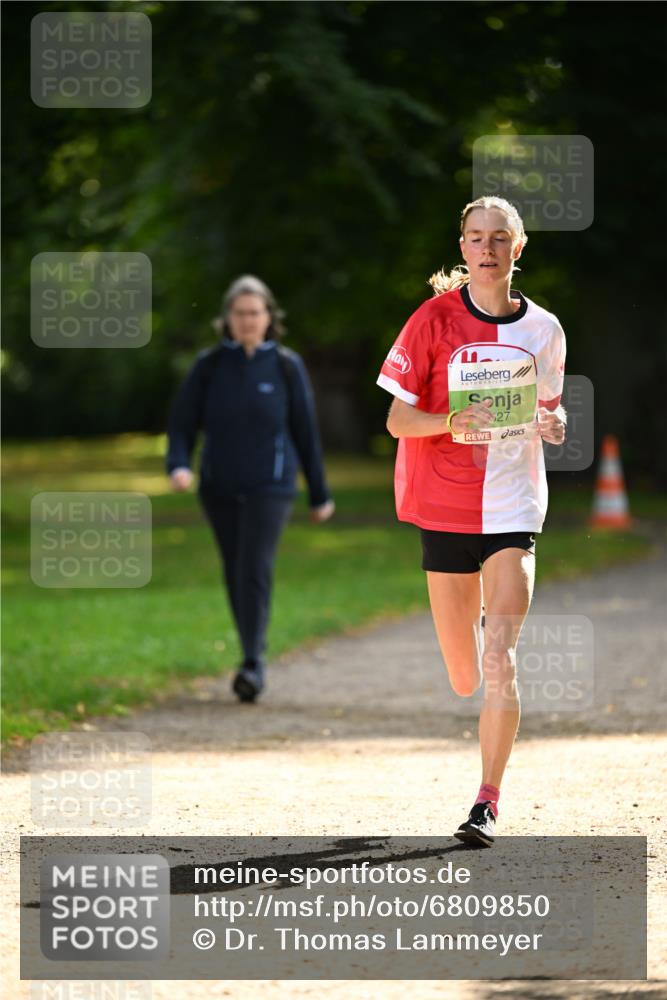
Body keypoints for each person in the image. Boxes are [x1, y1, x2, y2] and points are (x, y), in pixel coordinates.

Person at [377, 196, 566, 846]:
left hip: (512, 506)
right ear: (462, 249)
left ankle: (485, 800)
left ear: (518, 248)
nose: (486, 249)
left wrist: (553, 422)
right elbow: (397, 420)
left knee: (497, 656)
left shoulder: (543, 329)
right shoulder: (431, 320)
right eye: (474, 238)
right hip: (444, 507)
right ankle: (473, 686)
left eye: (498, 238)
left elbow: (551, 409)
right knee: (463, 675)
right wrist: (448, 423)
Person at [166, 275, 335, 703]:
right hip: (219, 487)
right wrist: (180, 465)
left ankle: (252, 663)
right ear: (227, 319)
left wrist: (319, 493)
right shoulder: (209, 367)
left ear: (268, 318)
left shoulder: (284, 365)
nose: (247, 320)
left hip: (271, 486)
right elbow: (182, 424)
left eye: (254, 313)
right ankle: (249, 654)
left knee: (254, 568)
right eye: (239, 313)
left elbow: (304, 431)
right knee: (234, 569)